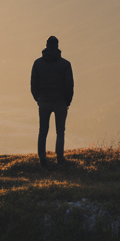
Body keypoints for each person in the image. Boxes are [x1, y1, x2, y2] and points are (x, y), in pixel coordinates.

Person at [30, 35, 74, 167]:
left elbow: (33, 85)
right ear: (58, 46)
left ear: (46, 45)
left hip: (43, 101)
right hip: (60, 102)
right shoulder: (65, 64)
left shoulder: (38, 63)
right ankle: (59, 158)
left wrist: (38, 99)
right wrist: (67, 102)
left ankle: (42, 158)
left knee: (43, 130)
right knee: (60, 131)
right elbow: (69, 86)